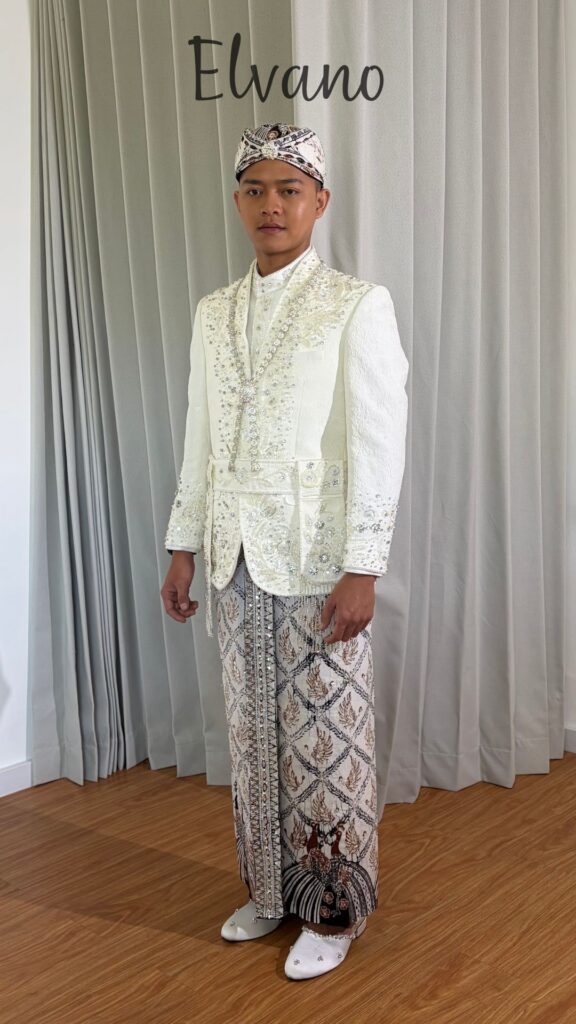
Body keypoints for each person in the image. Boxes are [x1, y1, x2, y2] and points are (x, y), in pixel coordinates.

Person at [160, 122, 409, 980]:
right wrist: (183, 545)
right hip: (234, 559)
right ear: (238, 201)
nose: (272, 204)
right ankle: (271, 892)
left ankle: (333, 910)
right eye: (255, 189)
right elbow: (199, 436)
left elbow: (380, 443)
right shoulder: (213, 312)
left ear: (319, 202)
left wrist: (363, 568)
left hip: (316, 563)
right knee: (253, 738)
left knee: (325, 743)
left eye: (289, 190)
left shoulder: (355, 304)